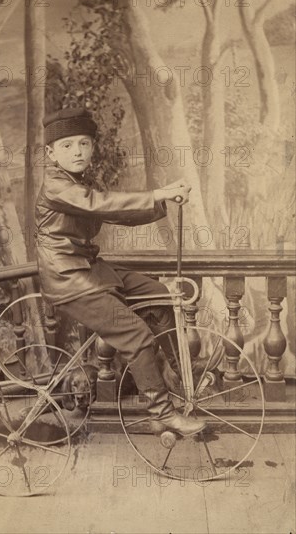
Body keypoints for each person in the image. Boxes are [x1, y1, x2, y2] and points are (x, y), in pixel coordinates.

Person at [35, 107, 205, 439]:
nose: (78, 152)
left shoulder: (80, 181)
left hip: (90, 269)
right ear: (50, 153)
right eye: (67, 146)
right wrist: (158, 192)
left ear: (93, 147)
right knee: (135, 335)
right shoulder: (57, 185)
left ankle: (179, 377)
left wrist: (163, 201)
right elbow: (101, 204)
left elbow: (115, 211)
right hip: (68, 279)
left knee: (159, 295)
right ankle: (162, 412)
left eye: (84, 144)